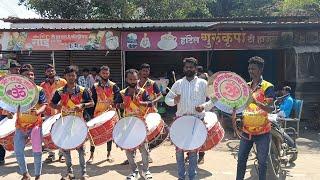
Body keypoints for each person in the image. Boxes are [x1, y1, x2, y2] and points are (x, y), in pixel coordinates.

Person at [165, 57, 214, 180]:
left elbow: (214, 99)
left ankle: (192, 176)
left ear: (196, 69)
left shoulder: (203, 83)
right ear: (184, 68)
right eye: (186, 67)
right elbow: (167, 99)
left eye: (191, 67)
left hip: (197, 120)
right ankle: (181, 177)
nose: (189, 69)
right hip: (181, 120)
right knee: (179, 151)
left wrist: (203, 106)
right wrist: (174, 101)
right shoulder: (178, 83)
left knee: (193, 151)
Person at [235, 56, 275, 180]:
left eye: (253, 69)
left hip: (263, 133)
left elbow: (271, 108)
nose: (250, 71)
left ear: (261, 69)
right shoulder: (246, 87)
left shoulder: (267, 87)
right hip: (246, 132)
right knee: (241, 161)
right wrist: (238, 115)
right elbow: (242, 106)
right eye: (249, 68)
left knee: (262, 163)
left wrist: (256, 102)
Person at [51, 66, 94, 180]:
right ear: (65, 76)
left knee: (81, 149)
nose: (71, 77)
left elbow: (92, 103)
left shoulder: (82, 90)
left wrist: (82, 105)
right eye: (69, 75)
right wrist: (57, 106)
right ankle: (70, 172)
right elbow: (52, 104)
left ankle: (83, 172)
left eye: (73, 75)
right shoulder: (59, 92)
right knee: (66, 148)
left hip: (79, 123)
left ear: (76, 76)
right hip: (65, 123)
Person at [116, 69, 153, 180]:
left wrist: (141, 102)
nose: (133, 81)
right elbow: (115, 105)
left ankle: (146, 171)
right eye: (130, 79)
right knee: (129, 150)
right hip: (127, 124)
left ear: (138, 79)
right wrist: (121, 105)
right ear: (127, 79)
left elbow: (150, 103)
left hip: (140, 124)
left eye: (135, 79)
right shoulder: (122, 93)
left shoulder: (143, 92)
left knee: (144, 150)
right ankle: (134, 172)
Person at [14, 64, 47, 180]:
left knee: (37, 152)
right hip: (20, 126)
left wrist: (38, 111)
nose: (30, 76)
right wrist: (9, 112)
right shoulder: (15, 89)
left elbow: (44, 105)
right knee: (18, 151)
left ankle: (37, 176)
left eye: (32, 74)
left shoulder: (39, 90)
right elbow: (11, 106)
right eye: (27, 74)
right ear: (21, 77)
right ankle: (25, 174)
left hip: (35, 126)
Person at [87, 65, 121, 164]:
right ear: (100, 74)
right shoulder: (95, 86)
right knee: (93, 135)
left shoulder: (113, 85)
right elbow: (91, 99)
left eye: (107, 73)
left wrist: (114, 104)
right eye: (103, 73)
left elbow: (118, 98)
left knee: (109, 134)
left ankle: (108, 154)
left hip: (109, 113)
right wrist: (90, 114)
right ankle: (91, 156)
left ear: (109, 74)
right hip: (97, 113)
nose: (105, 75)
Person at [40, 64, 67, 163]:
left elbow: (67, 94)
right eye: (48, 71)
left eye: (52, 70)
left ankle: (62, 154)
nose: (50, 72)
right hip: (48, 113)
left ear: (55, 71)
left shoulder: (63, 82)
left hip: (60, 111)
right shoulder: (42, 85)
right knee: (49, 133)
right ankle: (51, 154)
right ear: (45, 73)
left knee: (61, 133)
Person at [0, 61, 21, 166]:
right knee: (1, 134)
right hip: (3, 112)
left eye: (18, 69)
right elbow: (2, 97)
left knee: (17, 135)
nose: (17, 71)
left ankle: (19, 157)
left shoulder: (22, 82)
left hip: (17, 112)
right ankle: (1, 158)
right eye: (15, 69)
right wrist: (7, 111)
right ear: (10, 70)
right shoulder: (3, 81)